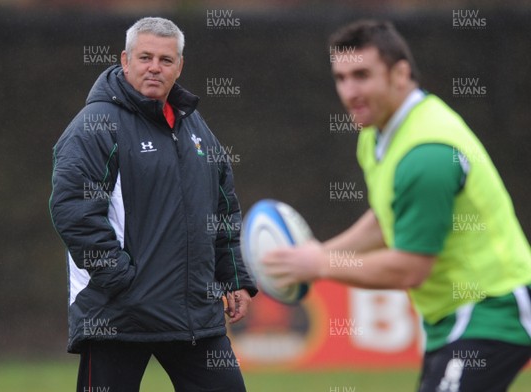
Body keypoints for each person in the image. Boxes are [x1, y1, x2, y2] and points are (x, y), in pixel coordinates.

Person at [263, 20, 531, 391]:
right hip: (450, 317)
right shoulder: (376, 133)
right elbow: (386, 218)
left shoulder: (427, 154)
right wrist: (321, 253)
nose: (350, 91)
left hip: (491, 309)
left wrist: (321, 264)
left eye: (362, 75)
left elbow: (409, 269)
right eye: (341, 78)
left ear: (401, 73)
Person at [49, 17, 257, 392]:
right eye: (145, 57)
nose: (154, 67)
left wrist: (234, 278)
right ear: (125, 60)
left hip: (194, 314)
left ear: (179, 66)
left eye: (165, 59)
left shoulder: (195, 126)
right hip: (118, 316)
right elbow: (73, 210)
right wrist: (121, 280)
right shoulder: (95, 125)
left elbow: (223, 205)